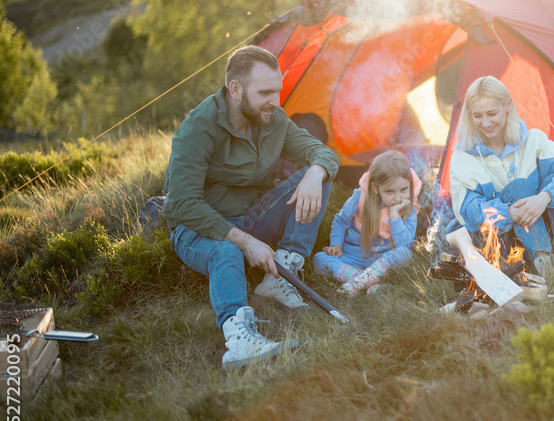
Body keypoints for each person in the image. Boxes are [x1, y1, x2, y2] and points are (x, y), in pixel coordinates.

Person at [162, 45, 339, 369]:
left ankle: (280, 274)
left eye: (278, 91)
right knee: (226, 251)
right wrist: (243, 241)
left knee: (319, 175)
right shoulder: (198, 127)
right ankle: (239, 338)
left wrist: (315, 172)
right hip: (198, 228)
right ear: (235, 89)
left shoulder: (273, 119)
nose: (276, 100)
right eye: (266, 92)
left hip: (253, 215)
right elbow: (181, 203)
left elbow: (322, 152)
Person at [448, 76, 554, 286]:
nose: (485, 123)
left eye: (492, 113)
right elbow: (470, 212)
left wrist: (545, 197)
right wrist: (509, 213)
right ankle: (548, 270)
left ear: (507, 105)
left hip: (545, 233)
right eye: (478, 116)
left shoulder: (533, 140)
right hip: (501, 244)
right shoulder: (463, 157)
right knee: (520, 186)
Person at [313, 151, 421, 295]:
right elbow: (340, 221)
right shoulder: (360, 198)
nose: (398, 197)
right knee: (319, 259)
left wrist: (395, 216)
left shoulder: (409, 208)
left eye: (403, 190)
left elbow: (403, 245)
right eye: (390, 192)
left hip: (382, 263)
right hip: (352, 258)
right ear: (376, 188)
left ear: (410, 184)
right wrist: (336, 244)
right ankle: (366, 283)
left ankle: (356, 284)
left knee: (405, 254)